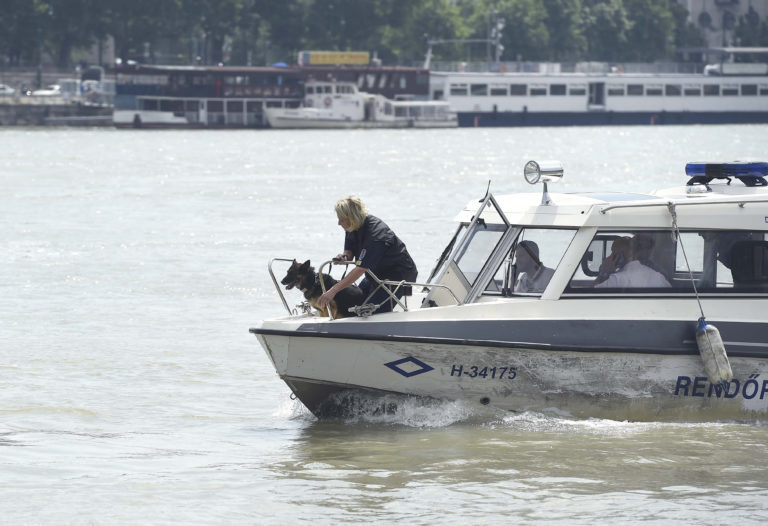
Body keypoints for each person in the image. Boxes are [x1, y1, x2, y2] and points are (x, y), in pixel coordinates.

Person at [318, 196, 418, 314]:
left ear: (352, 217)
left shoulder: (376, 235)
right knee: (351, 302)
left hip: (397, 276)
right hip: (375, 274)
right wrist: (344, 257)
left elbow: (360, 269)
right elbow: (349, 251)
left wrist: (333, 291)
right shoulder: (352, 227)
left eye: (342, 219)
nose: (339, 223)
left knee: (367, 312)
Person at [595, 235, 670, 288]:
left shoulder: (616, 279)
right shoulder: (659, 277)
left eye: (613, 252)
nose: (610, 256)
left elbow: (591, 294)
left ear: (619, 256)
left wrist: (603, 272)